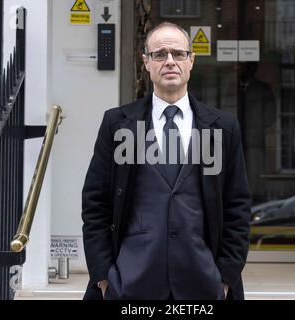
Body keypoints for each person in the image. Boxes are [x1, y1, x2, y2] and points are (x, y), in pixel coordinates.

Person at [82, 22, 252, 300]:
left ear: (191, 61)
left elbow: (238, 207)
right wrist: (103, 277)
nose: (170, 61)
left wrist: (225, 277)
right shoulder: (118, 124)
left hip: (203, 283)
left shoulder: (223, 127)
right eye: (160, 54)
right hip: (130, 284)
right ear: (146, 62)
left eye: (178, 54)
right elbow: (95, 203)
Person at [237, 62, 276, 204]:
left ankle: (255, 201)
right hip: (235, 139)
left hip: (254, 140)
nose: (237, 68)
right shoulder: (234, 87)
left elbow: (270, 116)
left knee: (254, 172)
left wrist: (257, 127)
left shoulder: (262, 88)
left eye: (241, 65)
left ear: (250, 68)